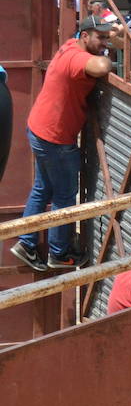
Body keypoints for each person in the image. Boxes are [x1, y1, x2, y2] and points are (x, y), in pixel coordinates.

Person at [10, 16, 114, 271]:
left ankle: (26, 243)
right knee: (65, 195)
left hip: (40, 128)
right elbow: (101, 67)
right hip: (56, 137)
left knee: (43, 187)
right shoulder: (77, 59)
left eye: (106, 38)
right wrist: (111, 54)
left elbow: (93, 54)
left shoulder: (71, 45)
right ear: (86, 36)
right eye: (100, 38)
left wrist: (108, 42)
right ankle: (59, 252)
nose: (103, 43)